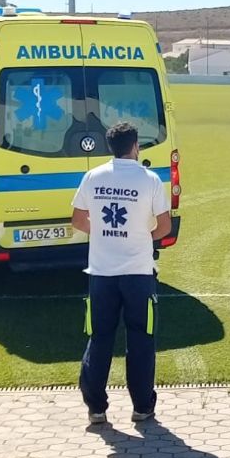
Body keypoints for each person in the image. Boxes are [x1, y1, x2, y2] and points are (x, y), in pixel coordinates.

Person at [71, 120, 171, 428]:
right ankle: (142, 407)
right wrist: (138, 236)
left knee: (99, 337)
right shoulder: (150, 179)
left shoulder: (93, 176)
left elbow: (77, 219)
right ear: (135, 146)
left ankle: (96, 408)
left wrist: (103, 232)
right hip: (138, 272)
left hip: (101, 272)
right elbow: (164, 227)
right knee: (141, 338)